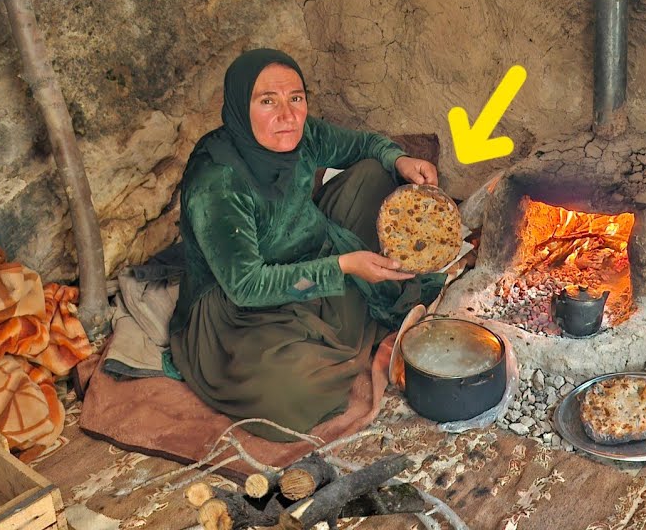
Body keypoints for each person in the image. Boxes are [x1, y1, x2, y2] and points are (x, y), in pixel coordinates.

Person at [168, 48, 444, 441]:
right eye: (268, 102)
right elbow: (247, 286)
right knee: (294, 391)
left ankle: (345, 313)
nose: (288, 115)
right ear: (238, 108)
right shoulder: (217, 181)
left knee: (374, 173)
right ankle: (338, 330)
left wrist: (398, 160)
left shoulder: (302, 133)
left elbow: (362, 145)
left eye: (295, 98)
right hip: (244, 308)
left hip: (315, 249)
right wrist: (343, 268)